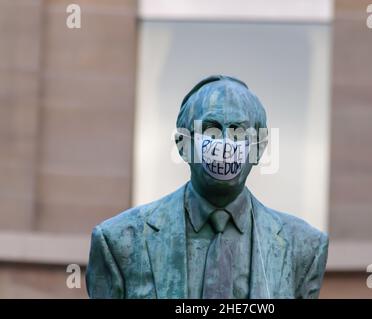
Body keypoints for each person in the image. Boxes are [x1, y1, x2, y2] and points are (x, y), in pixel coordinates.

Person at [86, 75, 328, 299]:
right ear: (183, 144)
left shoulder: (305, 248)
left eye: (238, 131)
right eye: (210, 128)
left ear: (258, 148)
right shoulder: (119, 242)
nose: (224, 143)